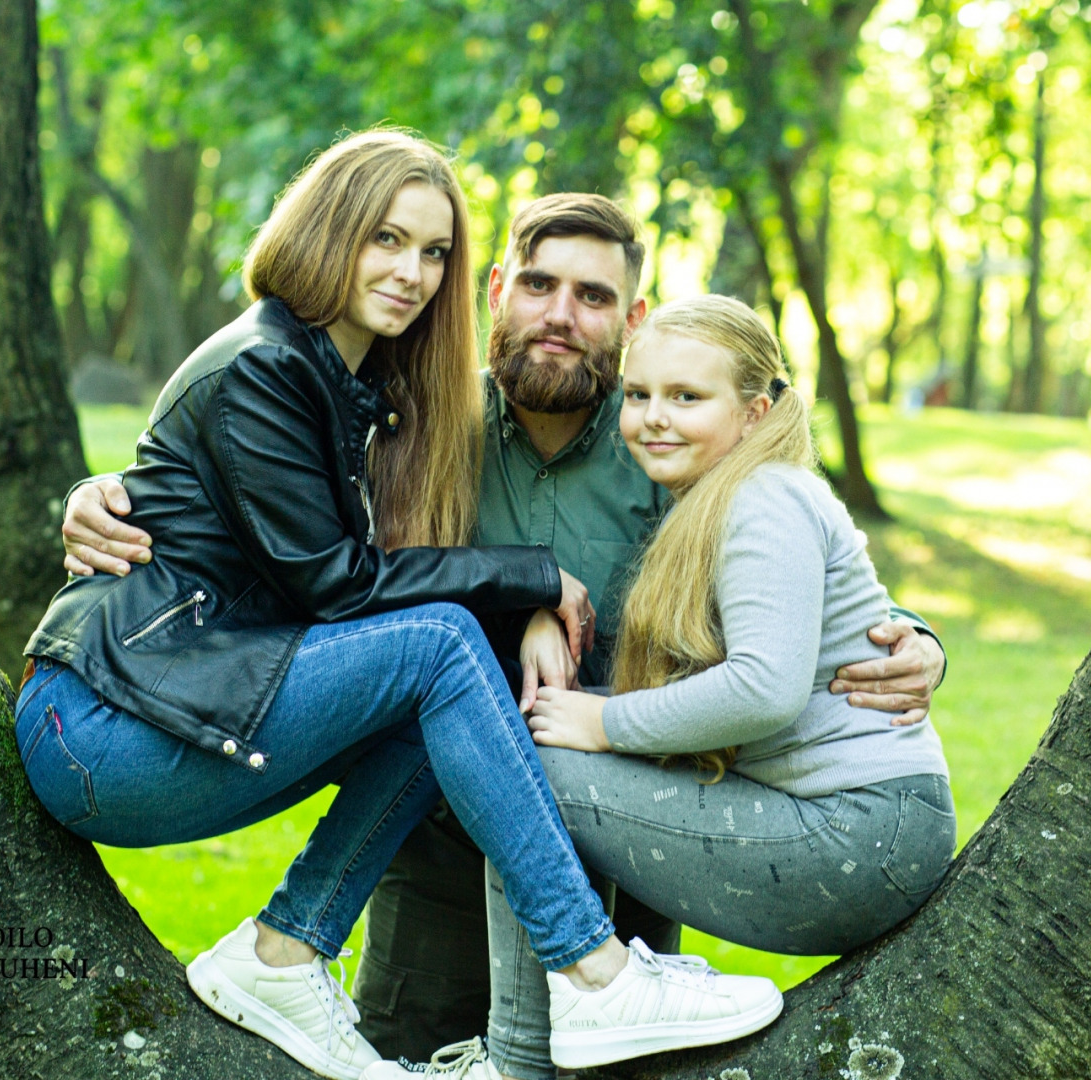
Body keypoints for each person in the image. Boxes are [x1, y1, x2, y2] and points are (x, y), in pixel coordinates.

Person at [61, 192, 951, 1062]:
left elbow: (792, 559)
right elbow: (272, 510)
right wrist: (104, 498)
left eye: (593, 297)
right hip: (431, 837)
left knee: (609, 1059)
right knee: (402, 1050)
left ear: (630, 317)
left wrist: (912, 637)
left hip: (612, 838)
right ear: (495, 289)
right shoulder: (408, 427)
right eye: (538, 284)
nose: (560, 315)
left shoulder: (667, 434)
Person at [362, 296, 956, 1079]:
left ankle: (518, 1062)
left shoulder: (765, 497)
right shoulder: (715, 499)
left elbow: (762, 691)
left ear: (753, 412)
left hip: (857, 835)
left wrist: (602, 722)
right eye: (638, 396)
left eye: (686, 398)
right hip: (843, 827)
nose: (652, 419)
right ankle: (579, 1029)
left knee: (526, 772)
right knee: (537, 764)